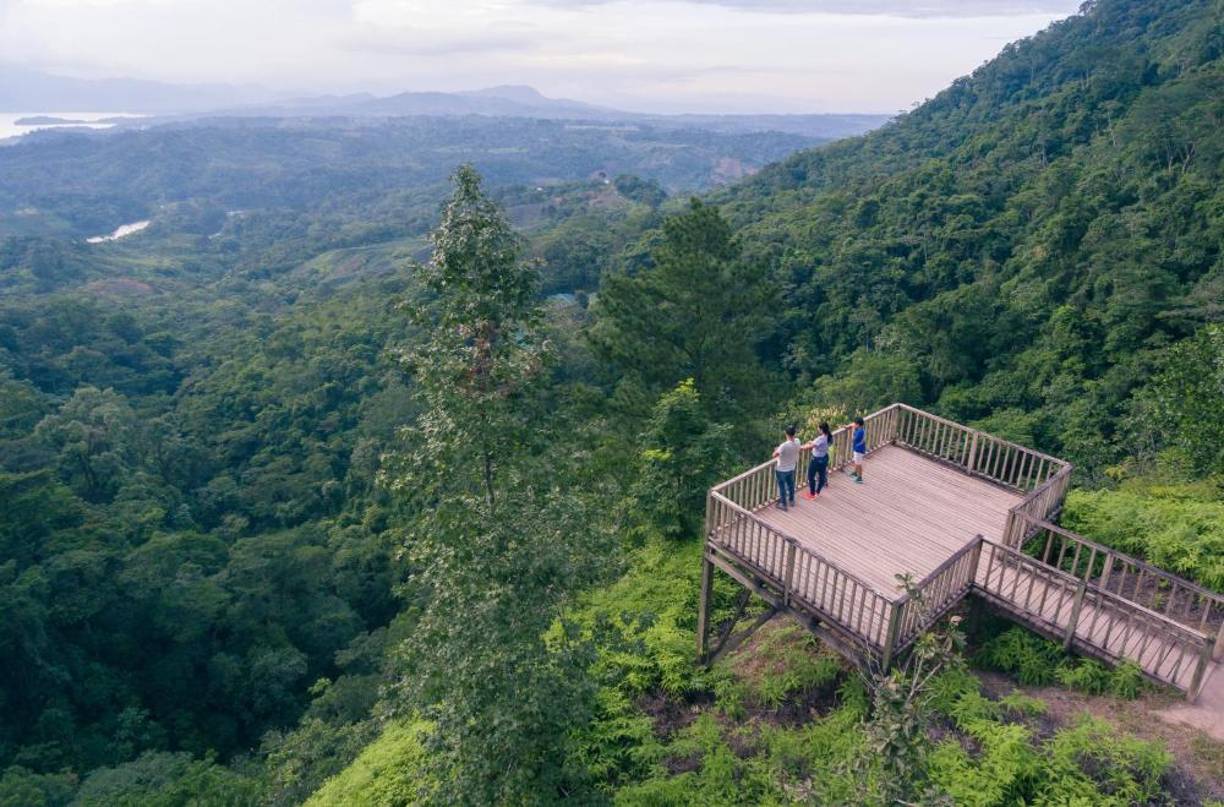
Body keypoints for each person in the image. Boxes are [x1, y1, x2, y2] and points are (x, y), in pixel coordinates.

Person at [772, 425, 800, 510]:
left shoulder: (783, 446)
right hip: (791, 467)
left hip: (781, 469)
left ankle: (783, 504)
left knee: (782, 487)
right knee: (791, 484)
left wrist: (776, 450)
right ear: (794, 433)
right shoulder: (798, 441)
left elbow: (774, 455)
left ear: (786, 434)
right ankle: (791, 500)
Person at [802, 421, 832, 499]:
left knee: (811, 476)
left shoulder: (821, 438)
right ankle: (817, 492)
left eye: (819, 428)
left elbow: (811, 446)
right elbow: (818, 444)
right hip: (824, 458)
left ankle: (812, 494)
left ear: (821, 429)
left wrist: (800, 448)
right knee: (822, 476)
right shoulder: (828, 436)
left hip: (816, 459)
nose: (818, 429)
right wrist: (812, 442)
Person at [847, 416, 867, 483]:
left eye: (855, 424)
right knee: (856, 461)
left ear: (858, 425)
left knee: (859, 464)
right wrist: (848, 426)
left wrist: (852, 430)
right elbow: (852, 425)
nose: (853, 425)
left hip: (859, 450)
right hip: (857, 449)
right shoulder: (860, 429)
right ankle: (855, 473)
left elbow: (853, 439)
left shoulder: (860, 432)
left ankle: (860, 477)